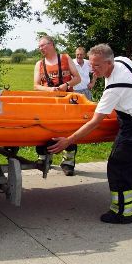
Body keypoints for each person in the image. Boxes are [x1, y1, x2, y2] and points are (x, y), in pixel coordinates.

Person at [48, 43, 132, 224]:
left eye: (97, 66)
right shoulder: (123, 60)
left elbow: (95, 122)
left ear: (109, 64)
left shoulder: (114, 87)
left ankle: (123, 212)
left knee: (118, 166)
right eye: (91, 64)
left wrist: (69, 140)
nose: (92, 69)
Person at [33, 35, 81, 176]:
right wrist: (49, 90)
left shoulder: (65, 58)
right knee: (44, 129)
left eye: (43, 45)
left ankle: (68, 162)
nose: (40, 48)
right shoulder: (39, 64)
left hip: (67, 102)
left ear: (51, 44)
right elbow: (36, 86)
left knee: (69, 130)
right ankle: (43, 158)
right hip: (48, 104)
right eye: (39, 46)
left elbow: (78, 78)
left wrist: (66, 85)